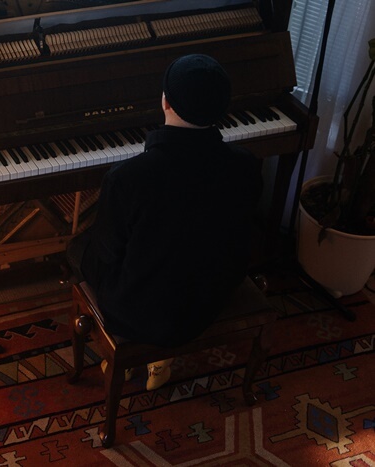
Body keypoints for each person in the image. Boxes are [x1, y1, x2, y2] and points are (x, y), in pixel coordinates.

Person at [66, 54, 262, 390]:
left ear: (165, 101)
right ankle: (157, 362)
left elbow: (107, 254)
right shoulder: (246, 165)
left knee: (77, 249)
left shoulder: (128, 178)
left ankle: (126, 354)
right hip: (209, 300)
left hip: (140, 314)